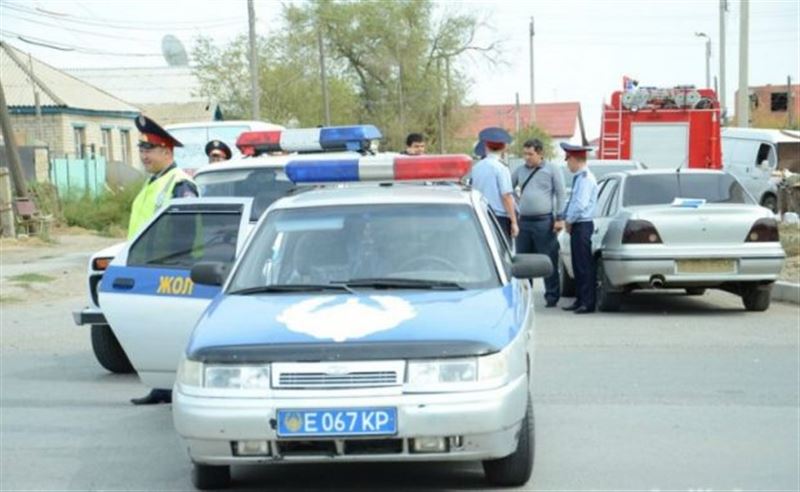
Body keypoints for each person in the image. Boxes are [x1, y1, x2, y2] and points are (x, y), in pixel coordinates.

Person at [128, 115, 198, 405]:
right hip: (148, 269)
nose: (144, 155)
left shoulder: (180, 184)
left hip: (170, 270)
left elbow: (185, 231)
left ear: (167, 152)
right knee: (155, 332)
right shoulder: (154, 182)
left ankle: (173, 388)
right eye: (142, 149)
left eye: (150, 150)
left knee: (171, 332)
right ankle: (161, 385)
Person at [512, 138, 566, 307]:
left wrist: (560, 218)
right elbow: (507, 189)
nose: (527, 157)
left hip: (544, 222)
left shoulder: (552, 170)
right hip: (524, 223)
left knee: (548, 259)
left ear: (540, 153)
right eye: (525, 154)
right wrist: (516, 203)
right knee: (524, 261)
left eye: (530, 154)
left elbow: (561, 194)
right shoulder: (519, 171)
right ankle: (525, 296)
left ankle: (551, 296)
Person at [560, 142, 598, 314]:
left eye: (568, 160)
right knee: (577, 265)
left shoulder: (585, 179)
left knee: (583, 265)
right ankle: (580, 299)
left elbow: (580, 205)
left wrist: (569, 220)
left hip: (582, 224)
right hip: (579, 224)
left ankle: (587, 302)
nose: (567, 164)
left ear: (575, 159)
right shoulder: (580, 178)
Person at [470, 127, 519, 242]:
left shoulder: (476, 167)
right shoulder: (501, 168)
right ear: (504, 147)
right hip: (499, 218)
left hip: (481, 214)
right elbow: (506, 196)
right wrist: (514, 221)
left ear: (485, 146)